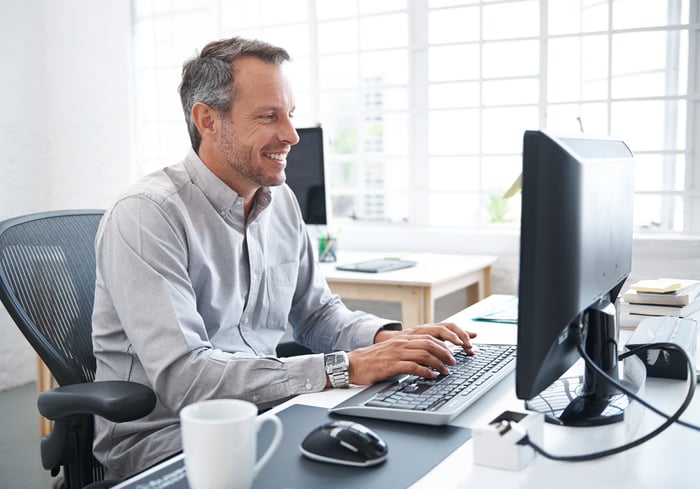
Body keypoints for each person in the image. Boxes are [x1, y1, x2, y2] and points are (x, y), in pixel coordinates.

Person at [91, 36, 476, 479]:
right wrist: (345, 367)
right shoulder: (148, 215)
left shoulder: (280, 200)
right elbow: (187, 379)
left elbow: (317, 315)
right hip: (169, 438)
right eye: (268, 116)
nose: (292, 135)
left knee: (418, 448)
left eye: (290, 115)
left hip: (269, 411)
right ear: (207, 120)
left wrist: (391, 341)